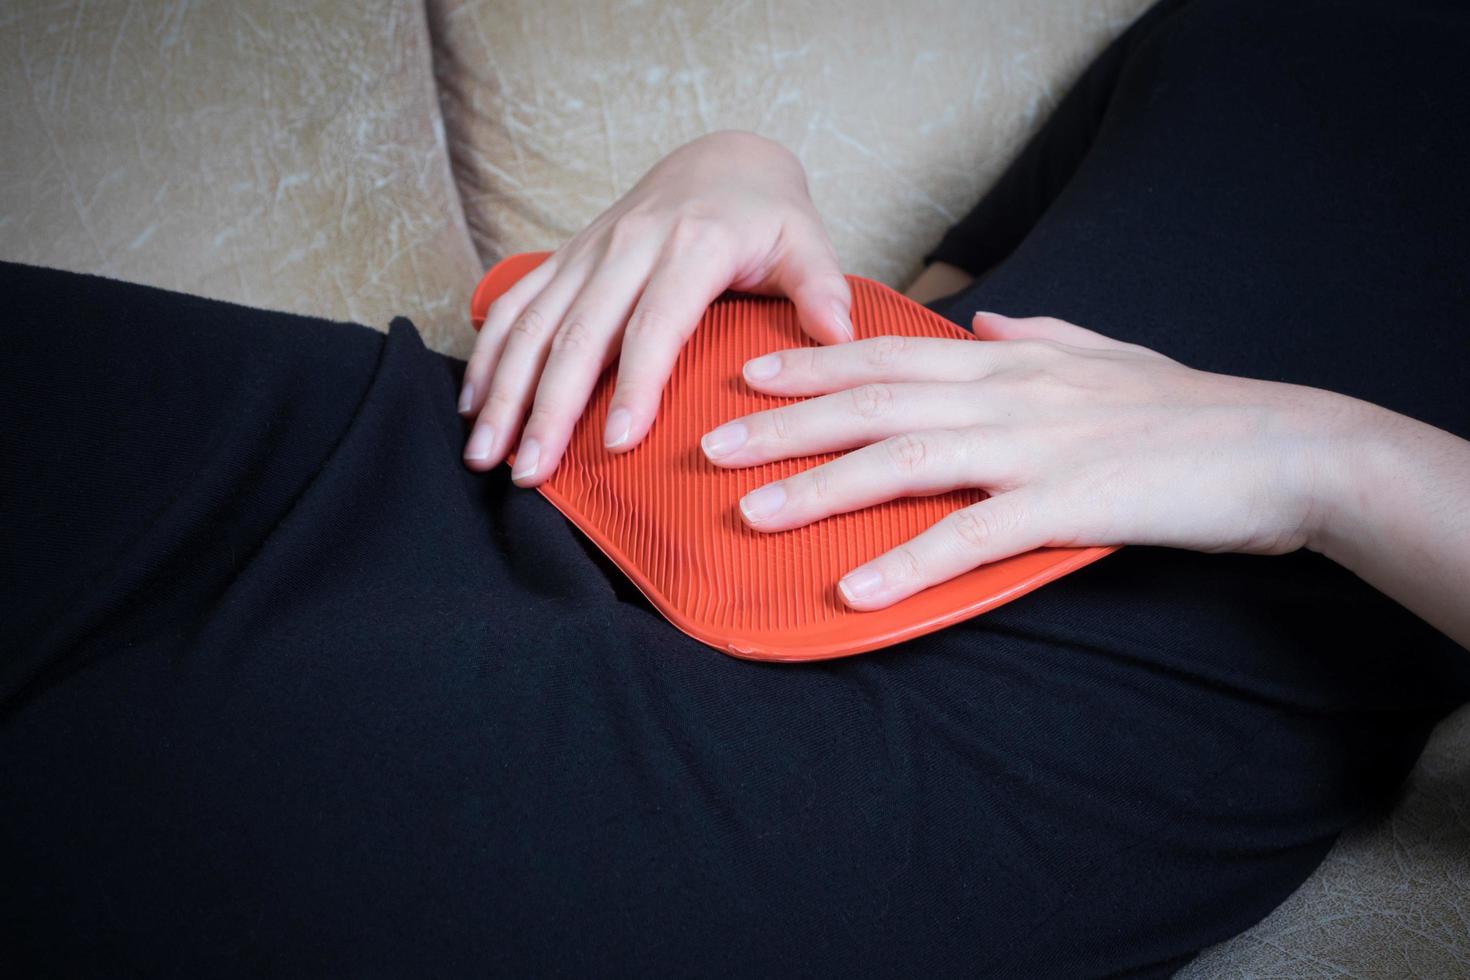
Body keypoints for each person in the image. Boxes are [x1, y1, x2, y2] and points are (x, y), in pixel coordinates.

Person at [3, 0, 1466, 975]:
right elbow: (936, 319)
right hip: (577, 469)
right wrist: (732, 172)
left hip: (1004, 721)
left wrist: (1321, 457)